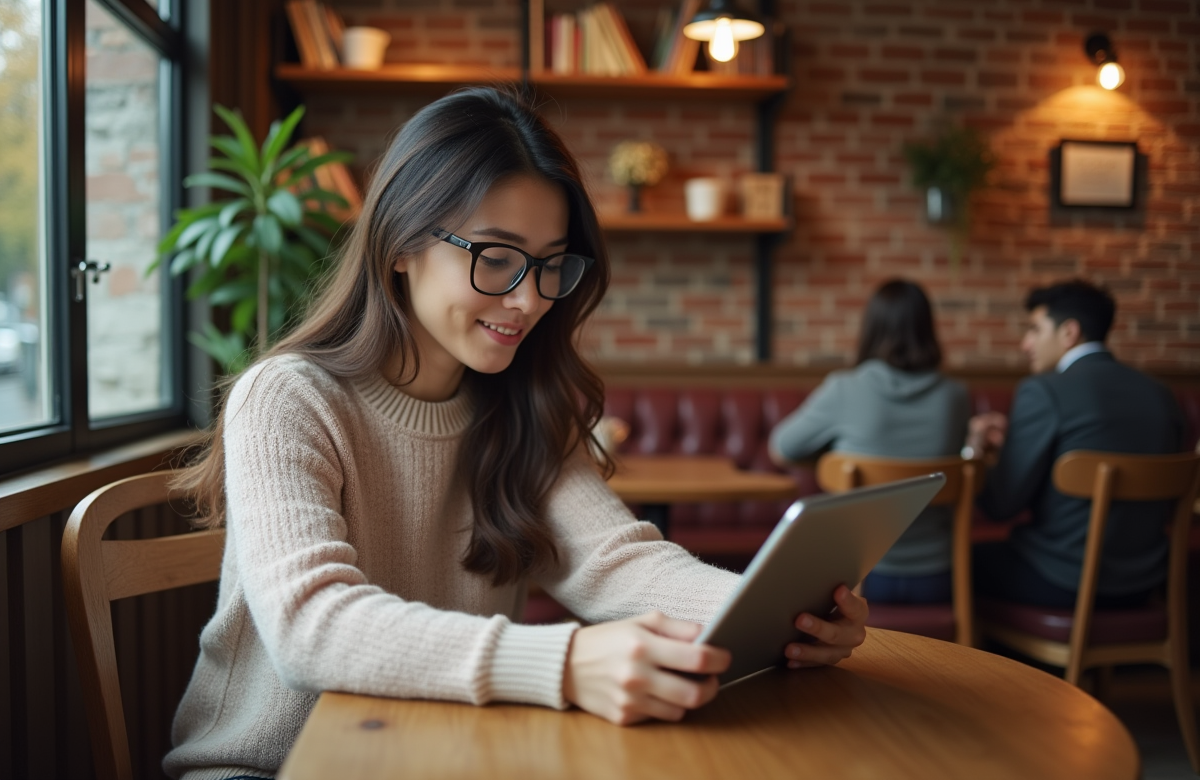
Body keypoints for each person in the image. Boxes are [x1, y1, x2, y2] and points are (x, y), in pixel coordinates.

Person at [163, 87, 868, 780]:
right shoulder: (287, 398)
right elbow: (309, 624)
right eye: (495, 256)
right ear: (401, 246)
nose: (529, 298)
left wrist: (777, 615)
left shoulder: (521, 406)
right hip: (267, 766)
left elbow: (618, 565)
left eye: (550, 263)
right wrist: (563, 663)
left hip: (443, 756)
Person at [965, 279, 1185, 609]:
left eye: (1035, 330)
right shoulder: (1161, 395)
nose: (1026, 344)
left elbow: (999, 506)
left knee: (957, 562)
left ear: (1069, 332)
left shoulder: (1043, 391)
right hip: (1144, 583)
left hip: (1062, 581)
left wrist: (977, 452)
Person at [769, 279, 971, 604]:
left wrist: (835, 456)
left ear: (871, 328)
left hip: (856, 580)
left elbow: (781, 447)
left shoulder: (845, 389)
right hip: (939, 575)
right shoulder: (955, 397)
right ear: (926, 328)